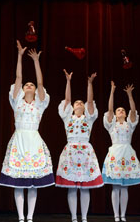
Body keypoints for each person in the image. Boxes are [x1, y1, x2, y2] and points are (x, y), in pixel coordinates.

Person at [0, 40, 54, 222]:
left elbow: (40, 83)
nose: (28, 85)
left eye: (31, 85)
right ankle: (21, 217)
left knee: (32, 184)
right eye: (26, 85)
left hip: (34, 140)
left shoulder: (39, 103)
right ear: (22, 90)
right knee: (18, 181)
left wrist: (36, 61)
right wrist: (20, 56)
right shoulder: (17, 101)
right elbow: (18, 78)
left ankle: (30, 217)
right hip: (19, 139)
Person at [56, 70, 104, 222]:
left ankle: (84, 218)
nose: (79, 103)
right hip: (70, 151)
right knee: (72, 187)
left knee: (84, 187)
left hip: (85, 152)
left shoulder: (88, 118)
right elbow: (67, 99)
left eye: (81, 103)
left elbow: (90, 102)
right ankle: (73, 218)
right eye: (77, 103)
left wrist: (90, 84)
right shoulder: (67, 117)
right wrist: (68, 81)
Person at [102, 81, 140, 222]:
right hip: (115, 153)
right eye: (119, 110)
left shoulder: (129, 124)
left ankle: (123, 215)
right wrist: (112, 92)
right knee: (116, 186)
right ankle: (116, 215)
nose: (120, 111)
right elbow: (110, 109)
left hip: (127, 153)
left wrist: (130, 95)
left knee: (125, 186)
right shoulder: (111, 124)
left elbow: (133, 111)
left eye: (122, 110)